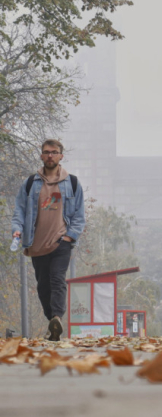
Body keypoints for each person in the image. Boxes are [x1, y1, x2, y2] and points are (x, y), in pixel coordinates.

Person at [11, 139, 85, 341]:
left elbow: (79, 215)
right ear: (42, 156)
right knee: (43, 285)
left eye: (54, 152)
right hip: (37, 244)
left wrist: (69, 236)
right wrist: (17, 230)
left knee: (57, 278)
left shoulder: (72, 183)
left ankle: (57, 316)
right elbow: (20, 210)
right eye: (46, 152)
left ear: (61, 156)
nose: (50, 155)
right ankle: (52, 324)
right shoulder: (30, 183)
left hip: (61, 242)